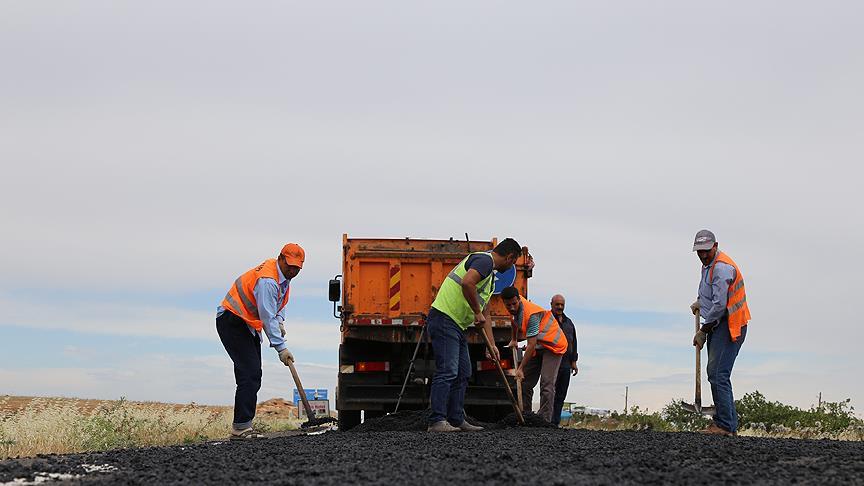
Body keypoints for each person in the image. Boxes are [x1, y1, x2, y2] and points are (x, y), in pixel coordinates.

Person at [426, 238, 523, 432]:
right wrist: (476, 312)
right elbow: (467, 283)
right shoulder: (485, 261)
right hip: (445, 318)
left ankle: (456, 419)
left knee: (463, 373)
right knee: (448, 371)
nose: (512, 266)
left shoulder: (489, 279)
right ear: (510, 257)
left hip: (457, 325)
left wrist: (492, 345)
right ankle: (437, 421)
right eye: (513, 262)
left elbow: (485, 313)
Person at [216, 243, 305, 440]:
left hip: (247, 324)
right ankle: (241, 428)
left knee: (251, 373)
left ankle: (242, 426)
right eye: (290, 266)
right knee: (250, 373)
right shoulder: (268, 280)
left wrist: (280, 322)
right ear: (281, 258)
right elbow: (267, 316)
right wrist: (281, 348)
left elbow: (279, 305)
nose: (293, 271)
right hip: (232, 320)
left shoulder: (284, 279)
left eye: (297, 268)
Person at [690, 230, 751, 436]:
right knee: (715, 374)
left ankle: (725, 425)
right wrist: (701, 303)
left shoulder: (722, 267)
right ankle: (727, 424)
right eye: (699, 251)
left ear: (715, 245)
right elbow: (712, 295)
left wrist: (703, 331)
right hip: (719, 323)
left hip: (730, 325)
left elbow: (719, 305)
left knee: (718, 374)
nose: (703, 255)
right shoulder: (708, 265)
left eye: (706, 251)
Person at [502, 287, 568, 422]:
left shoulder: (531, 314)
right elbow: (514, 322)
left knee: (546, 383)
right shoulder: (513, 308)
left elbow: (530, 345)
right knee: (525, 382)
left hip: (553, 346)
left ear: (519, 300)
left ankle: (544, 420)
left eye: (514, 304)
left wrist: (519, 368)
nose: (512, 307)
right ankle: (526, 416)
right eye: (508, 305)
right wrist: (514, 340)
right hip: (540, 345)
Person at [550, 294, 578, 426]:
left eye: (562, 305)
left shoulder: (569, 322)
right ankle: (547, 420)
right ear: (551, 304)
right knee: (550, 392)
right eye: (557, 304)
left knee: (561, 394)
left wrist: (574, 362)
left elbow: (574, 342)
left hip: (566, 364)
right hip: (552, 362)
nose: (560, 307)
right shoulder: (547, 319)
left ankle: (555, 422)